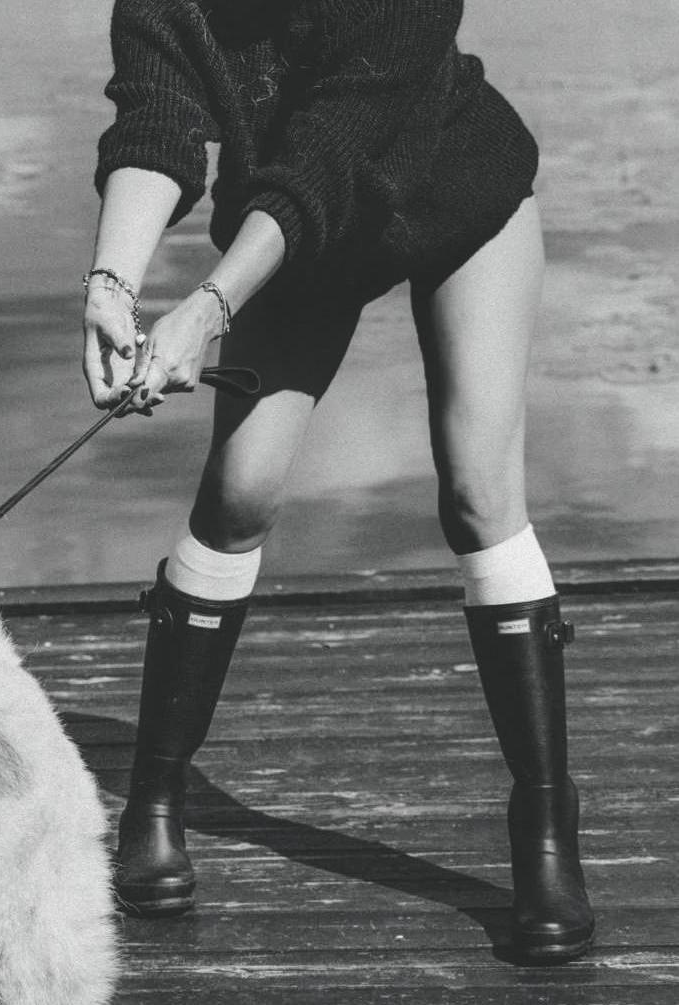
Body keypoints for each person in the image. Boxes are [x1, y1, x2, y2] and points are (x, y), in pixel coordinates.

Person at [82, 0, 593, 963]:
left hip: (450, 193)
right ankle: (154, 795)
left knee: (476, 493)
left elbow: (331, 153)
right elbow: (155, 118)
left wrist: (209, 305)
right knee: (239, 492)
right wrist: (110, 286)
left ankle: (544, 822)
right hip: (299, 230)